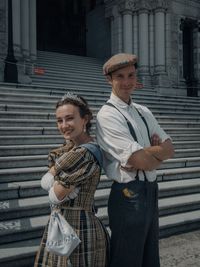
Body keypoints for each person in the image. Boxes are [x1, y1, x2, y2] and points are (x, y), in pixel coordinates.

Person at [96, 53, 174, 267]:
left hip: (151, 190)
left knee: (150, 258)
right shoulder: (107, 115)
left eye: (131, 75)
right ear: (109, 80)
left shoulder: (143, 111)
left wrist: (149, 154)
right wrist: (151, 154)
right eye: (120, 76)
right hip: (128, 194)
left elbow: (170, 148)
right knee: (126, 259)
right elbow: (141, 161)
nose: (127, 82)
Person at [34, 92, 110, 267]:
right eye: (59, 120)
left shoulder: (84, 153)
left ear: (85, 119)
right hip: (60, 226)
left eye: (69, 118)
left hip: (79, 229)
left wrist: (53, 182)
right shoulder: (67, 150)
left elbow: (56, 194)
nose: (64, 125)